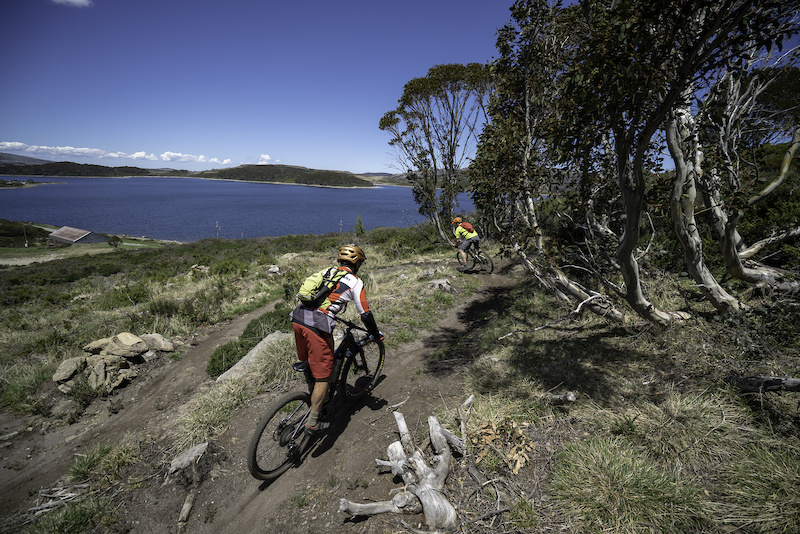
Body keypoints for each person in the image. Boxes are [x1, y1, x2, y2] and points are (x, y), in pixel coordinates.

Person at [290, 244, 383, 434]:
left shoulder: (328, 271)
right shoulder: (356, 282)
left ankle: (313, 393)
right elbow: (365, 314)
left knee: (309, 362)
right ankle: (313, 421)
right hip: (316, 325)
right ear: (357, 264)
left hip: (298, 318)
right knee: (324, 375)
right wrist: (374, 333)